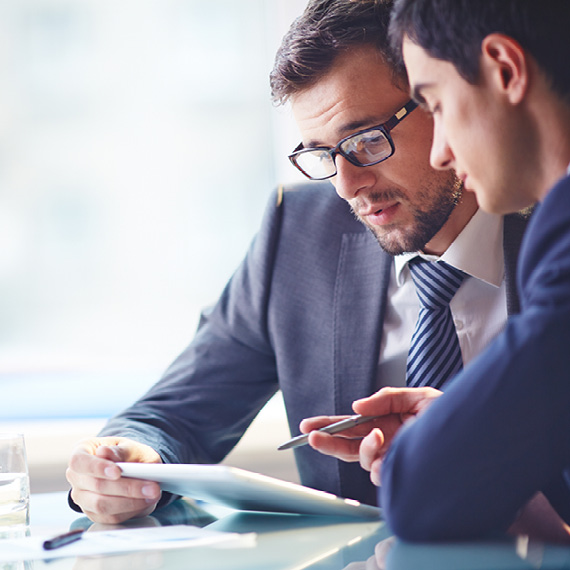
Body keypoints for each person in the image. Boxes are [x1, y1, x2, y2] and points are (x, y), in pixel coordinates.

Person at [65, 0, 529, 525]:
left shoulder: (550, 225)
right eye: (322, 154)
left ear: (439, 98)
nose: (347, 186)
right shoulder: (302, 231)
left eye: (367, 141)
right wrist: (123, 459)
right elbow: (178, 410)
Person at [308, 0, 570, 544]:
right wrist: (471, 429)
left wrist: (451, 448)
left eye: (437, 104)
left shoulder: (560, 232)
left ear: (504, 69)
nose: (443, 150)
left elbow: (418, 496)